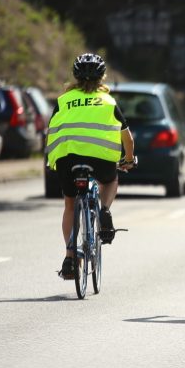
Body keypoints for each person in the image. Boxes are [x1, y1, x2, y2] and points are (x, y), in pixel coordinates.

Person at [46, 53, 136, 280]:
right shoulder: (108, 102)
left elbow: (52, 131)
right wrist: (128, 158)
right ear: (102, 77)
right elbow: (128, 139)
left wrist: (53, 160)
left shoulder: (63, 101)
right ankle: (104, 210)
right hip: (101, 159)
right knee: (111, 179)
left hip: (68, 159)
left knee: (69, 204)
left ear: (75, 77)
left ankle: (69, 257)